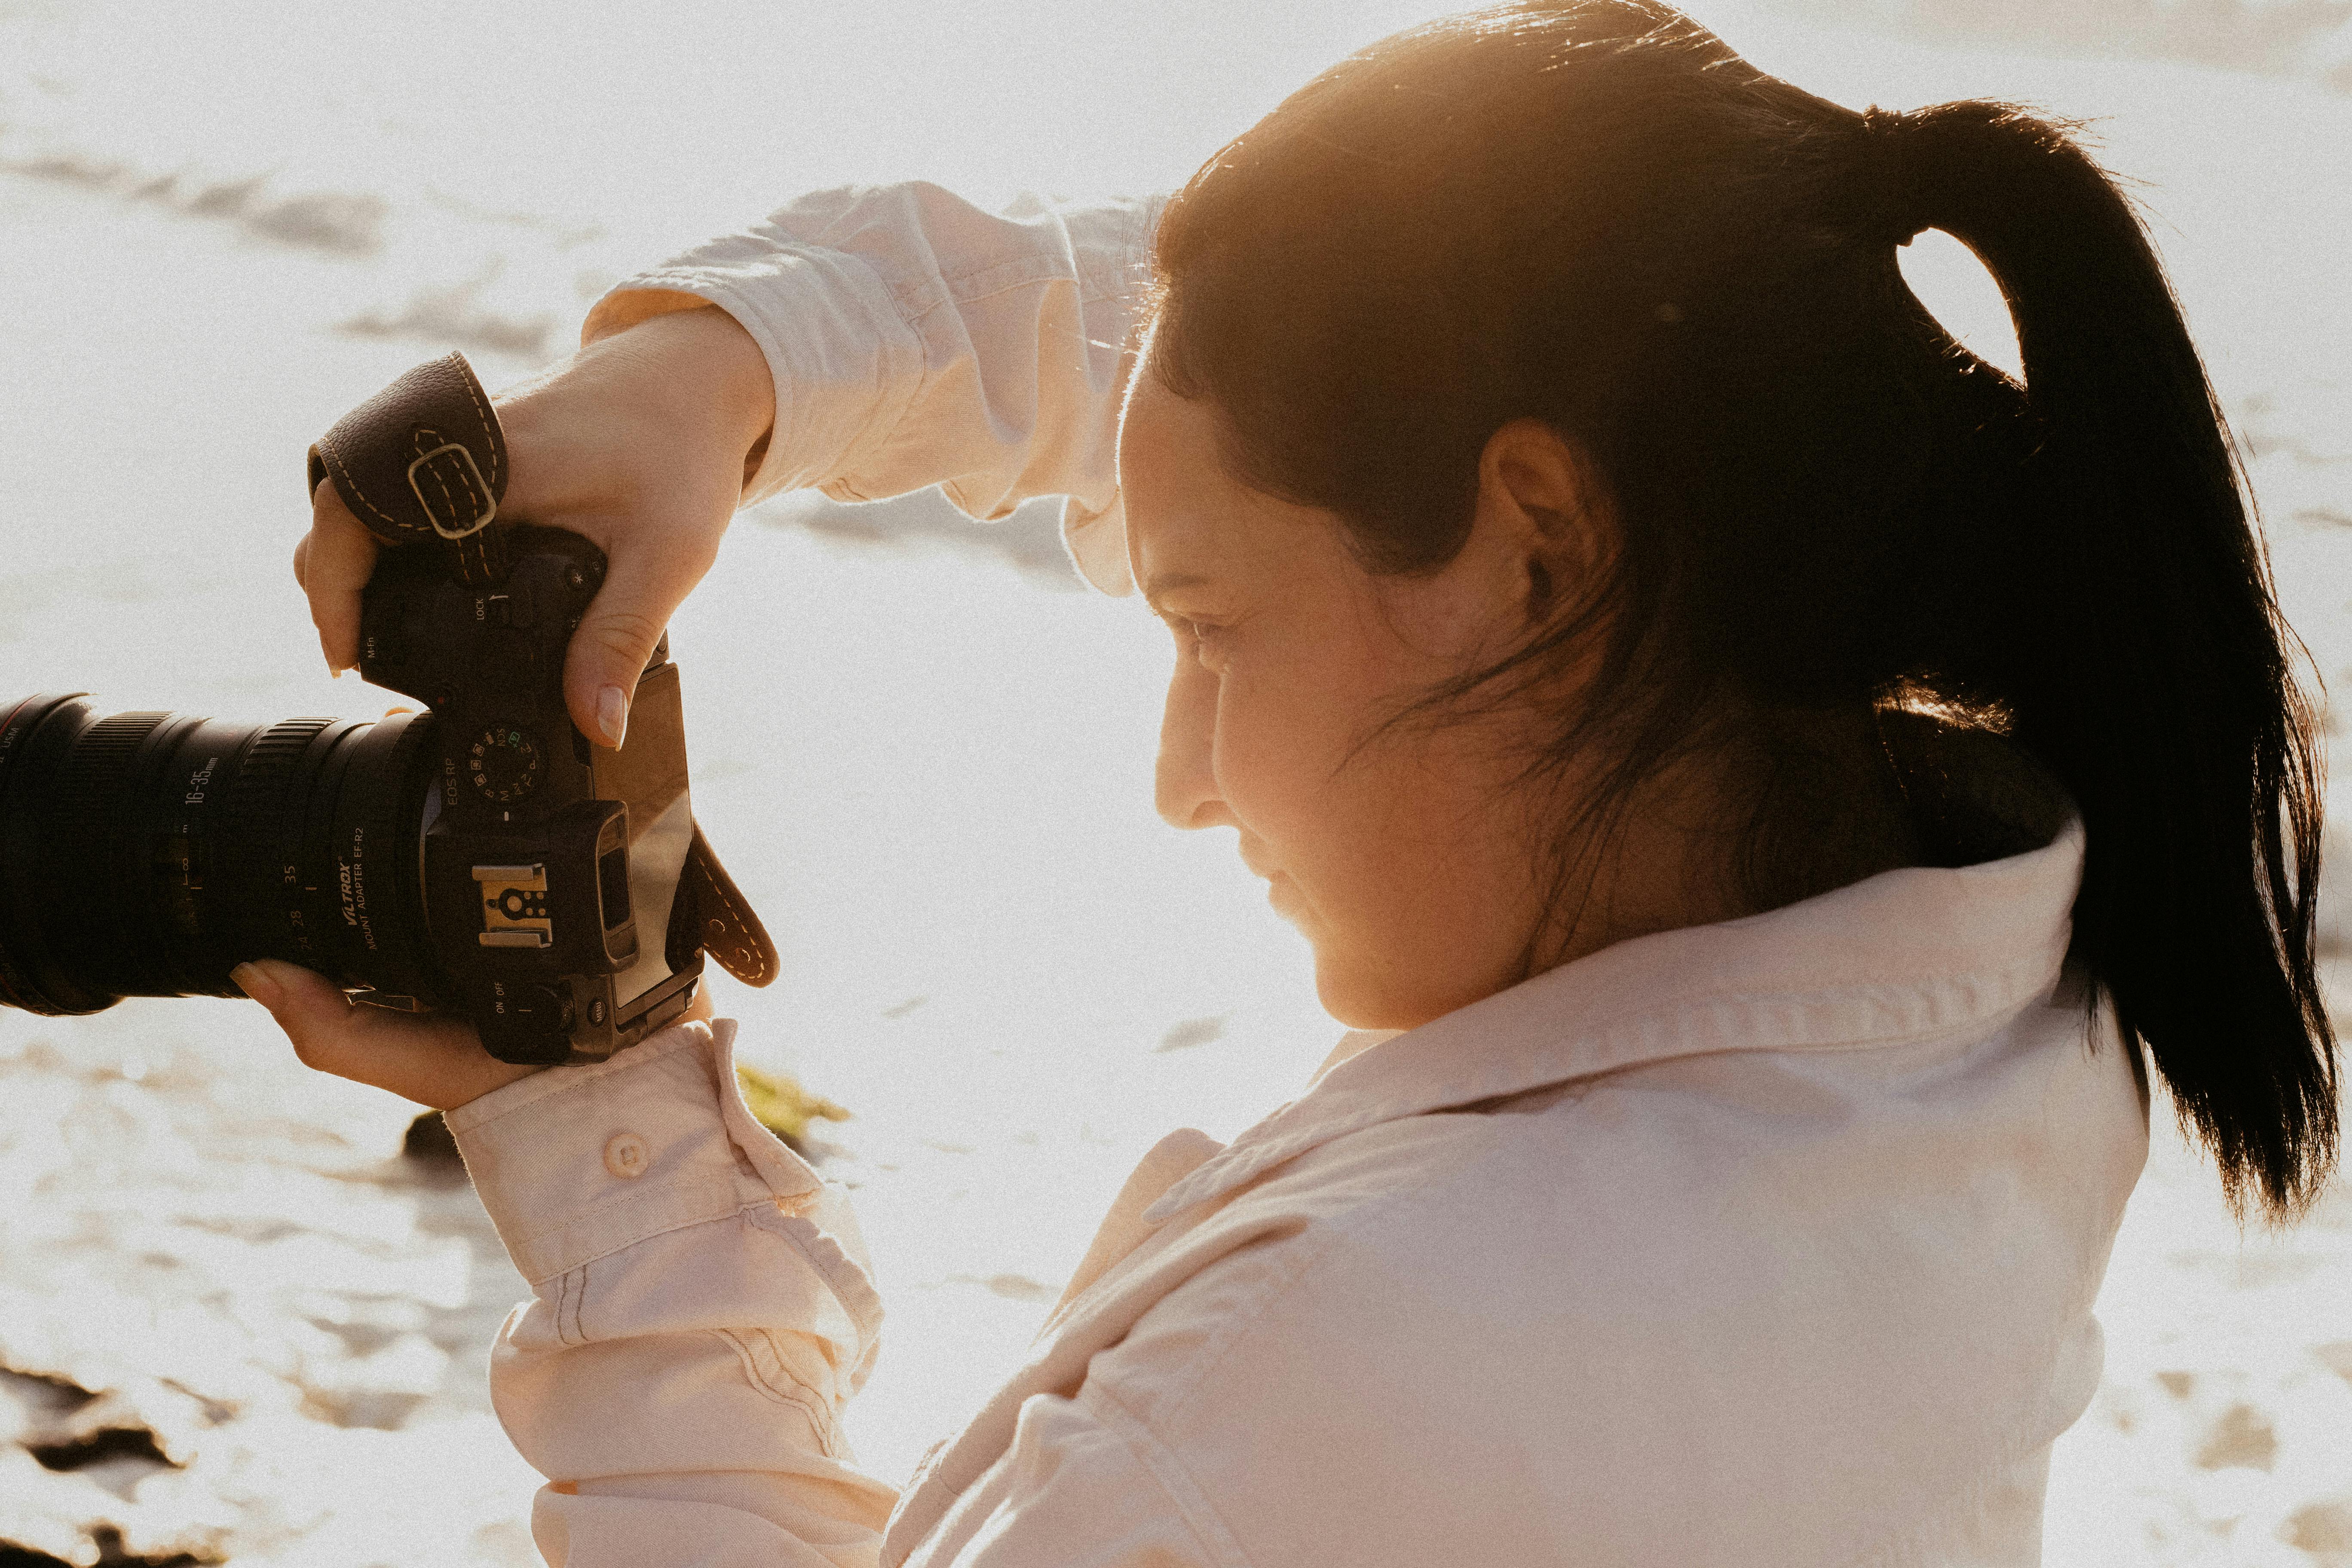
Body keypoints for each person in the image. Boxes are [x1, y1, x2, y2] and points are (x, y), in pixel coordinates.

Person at [231, 1, 2339, 1562]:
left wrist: (608, 1145)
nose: (1180, 779)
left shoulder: (1318, 1391)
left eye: (1211, 628)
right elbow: (1301, 325)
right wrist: (731, 367)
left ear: (1543, 545)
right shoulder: (2006, 975)